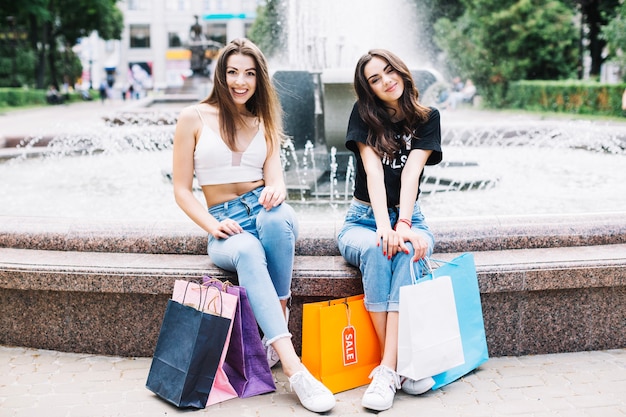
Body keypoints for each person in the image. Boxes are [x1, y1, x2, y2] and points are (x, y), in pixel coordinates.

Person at [171, 38, 336, 414]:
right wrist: (212, 225)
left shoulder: (264, 120)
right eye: (232, 72)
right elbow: (182, 190)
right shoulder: (193, 117)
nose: (240, 81)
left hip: (263, 209)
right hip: (226, 224)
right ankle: (294, 368)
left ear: (259, 79)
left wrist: (276, 188)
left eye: (248, 73)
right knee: (247, 249)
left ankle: (276, 317)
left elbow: (275, 179)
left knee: (277, 220)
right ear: (221, 74)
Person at [337, 49, 443, 412]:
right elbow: (374, 171)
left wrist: (403, 224)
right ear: (368, 89)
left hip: (411, 218)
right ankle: (399, 367)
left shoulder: (428, 118)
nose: (386, 81)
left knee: (407, 250)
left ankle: (387, 370)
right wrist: (384, 226)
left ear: (400, 70)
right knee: (379, 248)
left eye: (388, 71)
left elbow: (411, 173)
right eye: (375, 79)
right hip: (363, 219)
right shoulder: (364, 115)